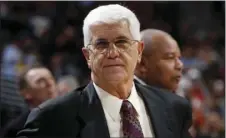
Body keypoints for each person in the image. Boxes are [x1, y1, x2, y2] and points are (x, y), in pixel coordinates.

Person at [17, 4, 192, 138]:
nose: (113, 53)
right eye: (101, 44)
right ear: (87, 56)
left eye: (122, 42)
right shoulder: (53, 117)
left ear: (138, 51)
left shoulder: (174, 108)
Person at [2, 65, 58, 138]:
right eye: (40, 81)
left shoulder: (72, 121)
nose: (49, 84)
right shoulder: (16, 130)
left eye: (51, 78)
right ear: (26, 93)